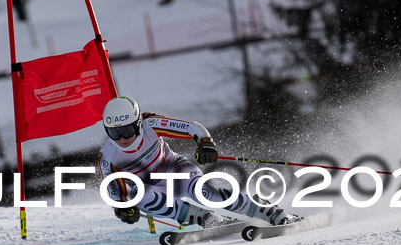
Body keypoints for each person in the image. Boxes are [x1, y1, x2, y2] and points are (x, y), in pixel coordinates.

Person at [97, 96, 298, 227]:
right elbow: (116, 194)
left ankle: (265, 210)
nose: (122, 138)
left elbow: (190, 128)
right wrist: (123, 210)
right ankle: (204, 218)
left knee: (206, 194)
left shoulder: (151, 124)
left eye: (127, 130)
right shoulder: (108, 157)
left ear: (138, 123)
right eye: (114, 132)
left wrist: (205, 143)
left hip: (175, 169)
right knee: (142, 197)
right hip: (153, 188)